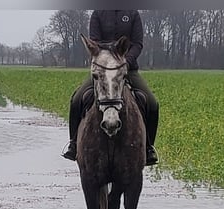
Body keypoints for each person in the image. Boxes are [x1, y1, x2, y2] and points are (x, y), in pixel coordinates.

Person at [62, 9, 160, 166]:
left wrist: (124, 62)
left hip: (127, 68)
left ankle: (148, 148)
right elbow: (95, 41)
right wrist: (109, 61)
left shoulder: (133, 14)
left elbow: (137, 44)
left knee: (152, 103)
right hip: (103, 69)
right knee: (77, 99)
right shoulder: (98, 13)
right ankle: (73, 144)